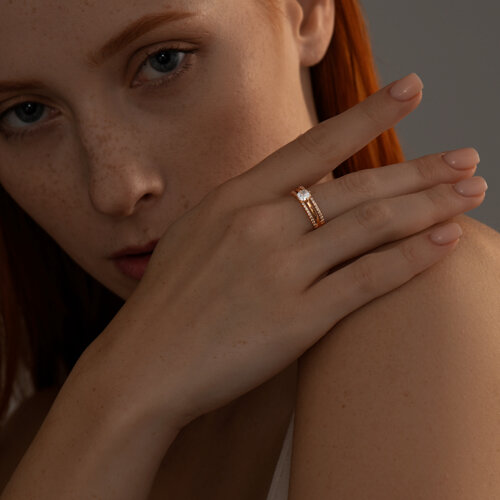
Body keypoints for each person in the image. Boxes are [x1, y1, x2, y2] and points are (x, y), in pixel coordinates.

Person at [0, 0, 498, 498]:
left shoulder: (423, 298)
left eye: (164, 61)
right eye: (26, 113)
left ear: (307, 13)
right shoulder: (31, 442)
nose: (115, 190)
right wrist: (114, 401)